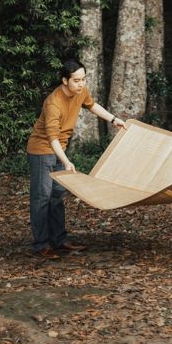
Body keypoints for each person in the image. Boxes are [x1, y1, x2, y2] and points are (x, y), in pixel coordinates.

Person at [26, 59, 127, 260]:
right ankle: (41, 245)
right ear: (65, 80)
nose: (81, 84)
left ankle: (59, 240)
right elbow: (52, 138)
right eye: (77, 80)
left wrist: (114, 119)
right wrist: (66, 161)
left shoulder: (80, 92)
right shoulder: (53, 103)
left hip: (58, 149)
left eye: (83, 79)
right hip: (42, 150)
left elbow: (92, 105)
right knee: (42, 197)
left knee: (57, 196)